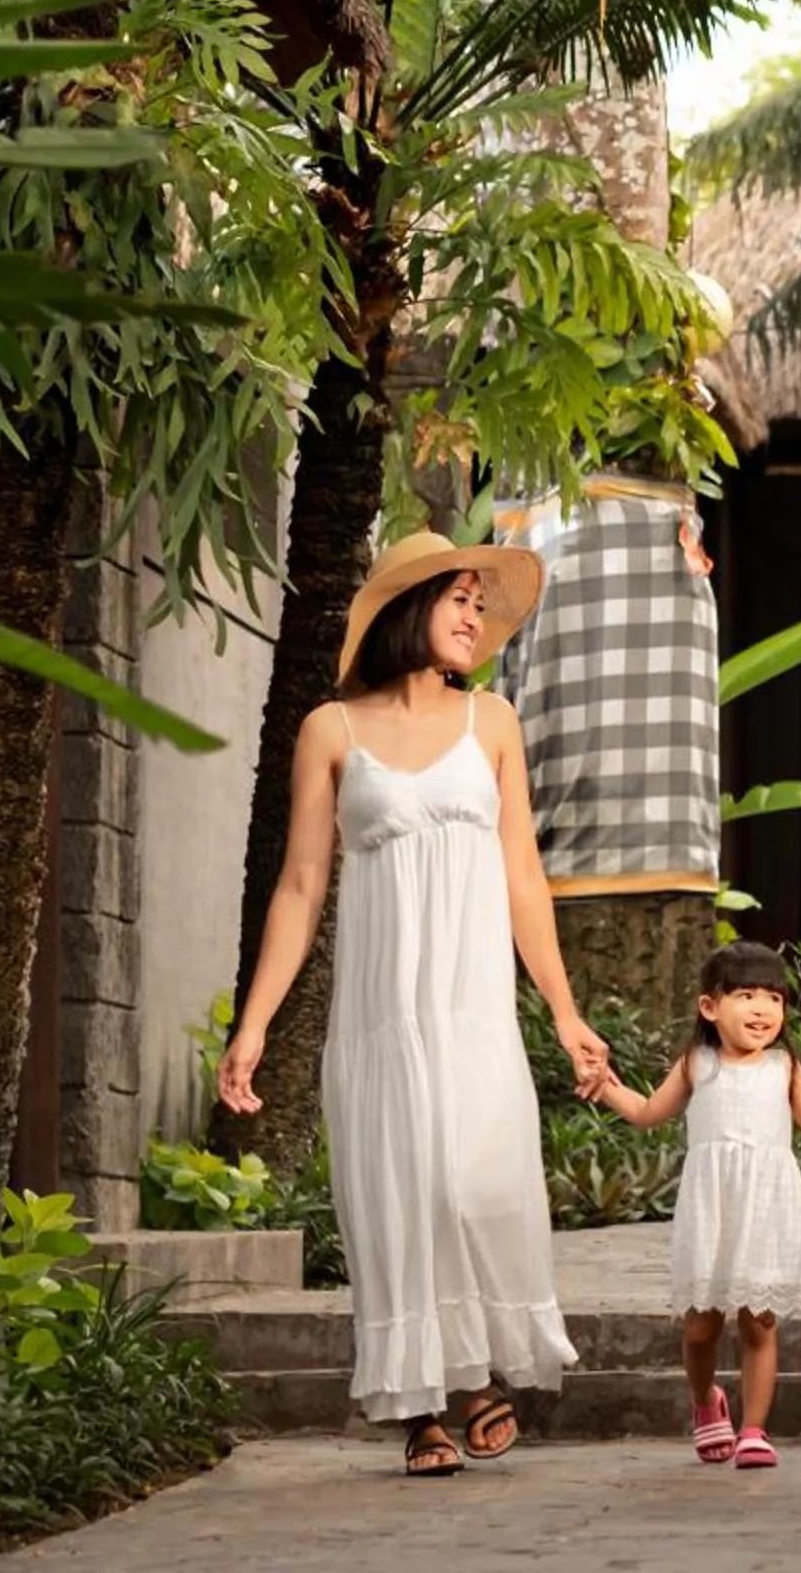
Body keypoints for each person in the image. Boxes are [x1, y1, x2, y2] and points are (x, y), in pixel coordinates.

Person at [218, 530, 610, 1478]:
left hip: (472, 1008)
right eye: (459, 599)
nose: (477, 616)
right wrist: (255, 1024)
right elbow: (302, 886)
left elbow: (523, 874)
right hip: (382, 1015)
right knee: (402, 1195)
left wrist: (562, 1010)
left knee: (470, 1181)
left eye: (482, 601)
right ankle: (428, 1405)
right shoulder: (330, 730)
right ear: (408, 609)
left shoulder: (495, 723)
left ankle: (471, 1370)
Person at [579, 940, 801, 1470]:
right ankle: (707, 1401)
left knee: (759, 1321)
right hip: (712, 1209)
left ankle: (754, 1428)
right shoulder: (697, 1063)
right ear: (710, 1006)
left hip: (766, 1210)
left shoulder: (784, 1066)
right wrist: (605, 1085)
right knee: (700, 1325)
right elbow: (645, 1112)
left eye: (773, 998)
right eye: (746, 995)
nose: (762, 1010)